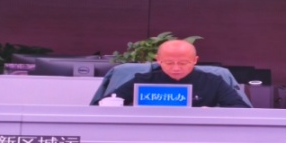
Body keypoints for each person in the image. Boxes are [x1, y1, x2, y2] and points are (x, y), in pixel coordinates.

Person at [102, 40, 250, 107]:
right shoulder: (144, 80)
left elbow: (241, 109)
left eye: (183, 63)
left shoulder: (213, 81)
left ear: (195, 60)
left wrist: (211, 113)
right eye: (169, 63)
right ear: (158, 60)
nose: (176, 68)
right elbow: (103, 104)